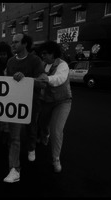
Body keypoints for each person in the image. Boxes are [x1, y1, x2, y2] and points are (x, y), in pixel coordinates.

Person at [3, 33, 45, 183]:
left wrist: (26, 79)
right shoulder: (10, 61)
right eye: (12, 42)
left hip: (32, 102)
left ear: (25, 44)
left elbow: (43, 82)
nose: (12, 45)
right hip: (14, 104)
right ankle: (14, 169)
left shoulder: (35, 60)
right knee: (14, 137)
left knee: (31, 128)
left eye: (16, 42)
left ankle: (31, 147)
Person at [35, 40, 72, 173]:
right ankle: (45, 134)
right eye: (42, 54)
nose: (42, 56)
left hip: (62, 102)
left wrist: (47, 79)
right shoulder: (42, 65)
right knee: (42, 123)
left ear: (53, 53)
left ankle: (56, 158)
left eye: (45, 53)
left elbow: (59, 79)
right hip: (46, 101)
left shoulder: (63, 65)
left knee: (57, 130)